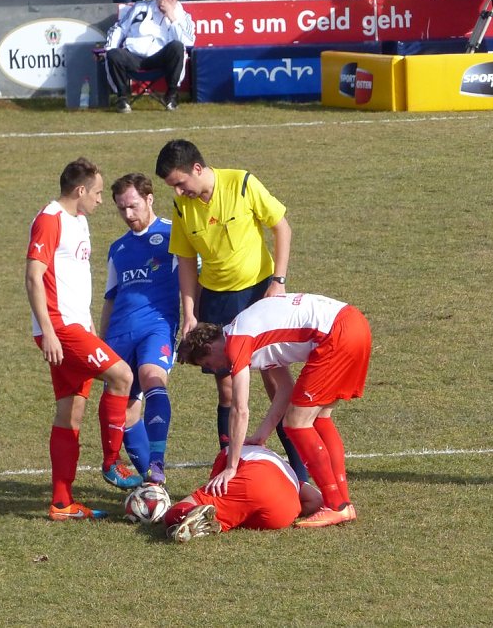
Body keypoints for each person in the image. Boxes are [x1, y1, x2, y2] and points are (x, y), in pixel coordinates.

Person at [155, 138, 310, 485]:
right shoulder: (182, 207)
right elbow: (184, 262)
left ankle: (302, 473)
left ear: (198, 168)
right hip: (216, 301)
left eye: (181, 183)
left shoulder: (241, 183)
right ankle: (232, 465)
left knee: (274, 381)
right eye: (173, 187)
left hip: (259, 292)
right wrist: (190, 312)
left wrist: (278, 280)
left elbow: (281, 226)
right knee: (226, 389)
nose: (179, 191)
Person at [176, 292, 372, 528]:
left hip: (337, 334)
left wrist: (232, 466)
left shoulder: (237, 341)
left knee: (297, 423)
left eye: (208, 364)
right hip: (354, 324)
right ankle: (343, 503)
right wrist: (262, 435)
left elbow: (240, 409)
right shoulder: (249, 335)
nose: (215, 369)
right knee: (319, 418)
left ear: (209, 347)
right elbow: (285, 390)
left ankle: (334, 506)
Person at [25, 158, 143, 522]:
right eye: (95, 192)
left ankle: (61, 503)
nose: (100, 200)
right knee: (122, 375)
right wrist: (48, 332)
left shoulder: (79, 221)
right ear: (79, 191)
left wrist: (89, 321)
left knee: (70, 412)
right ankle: (112, 462)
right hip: (60, 329)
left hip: (76, 325)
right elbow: (33, 277)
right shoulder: (50, 220)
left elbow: (73, 277)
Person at [100, 173, 180, 485]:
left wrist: (195, 319)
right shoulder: (117, 248)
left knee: (153, 378)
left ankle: (157, 467)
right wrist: (101, 344)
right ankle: (152, 482)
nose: (128, 215)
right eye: (122, 209)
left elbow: (196, 279)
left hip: (157, 327)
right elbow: (111, 298)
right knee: (129, 414)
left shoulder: (175, 234)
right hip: (119, 334)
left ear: (149, 199)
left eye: (133, 206)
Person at [164, 444, 324, 543]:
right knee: (241, 513)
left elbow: (217, 484)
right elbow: (316, 499)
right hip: (284, 512)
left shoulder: (227, 452)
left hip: (254, 481)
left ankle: (189, 515)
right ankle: (215, 521)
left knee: (172, 515)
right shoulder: (287, 470)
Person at [103, 0, 195, 113]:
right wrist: (109, 47)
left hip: (159, 58)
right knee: (113, 54)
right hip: (134, 55)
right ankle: (122, 97)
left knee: (178, 47)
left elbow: (188, 42)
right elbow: (119, 28)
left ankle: (171, 96)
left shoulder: (183, 17)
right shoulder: (140, 7)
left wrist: (172, 18)